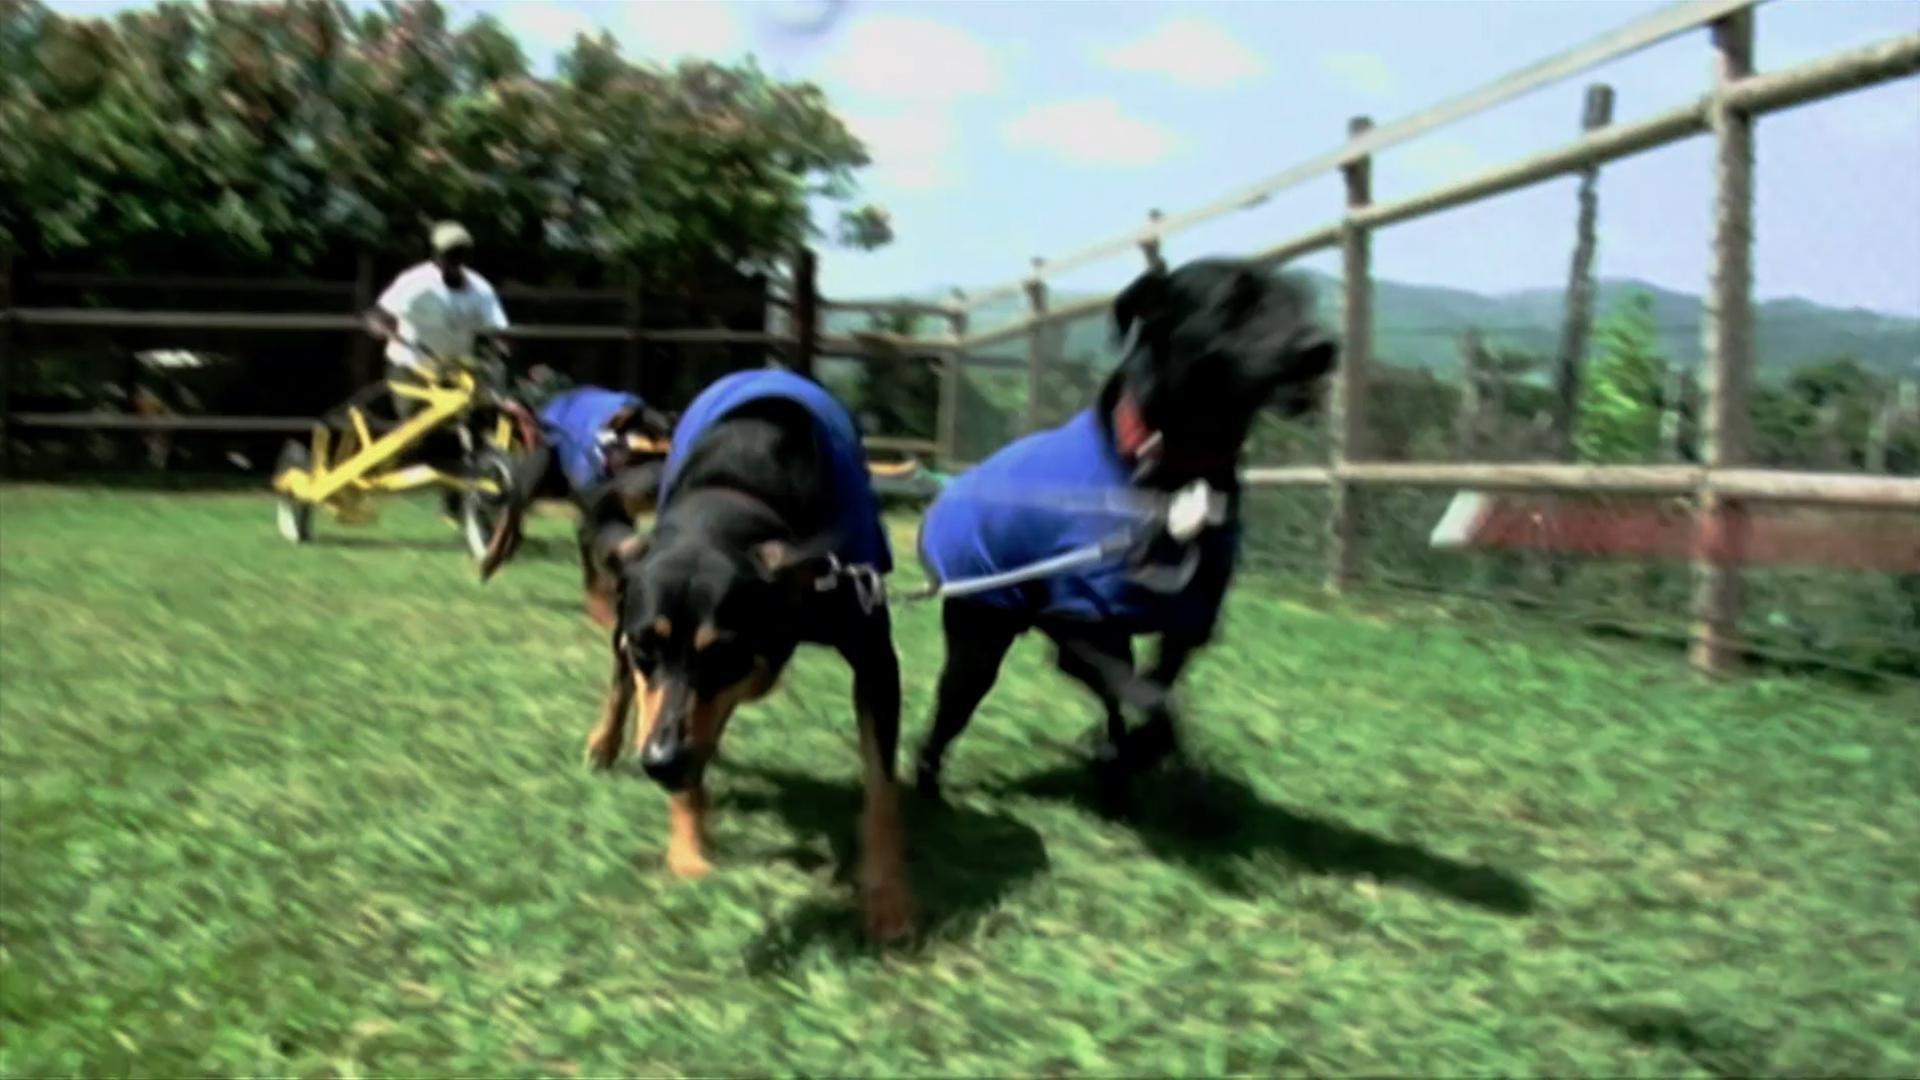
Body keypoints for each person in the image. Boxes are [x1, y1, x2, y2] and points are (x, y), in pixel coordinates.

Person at [361, 222, 512, 520]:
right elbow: (377, 314)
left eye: (460, 254)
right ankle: (376, 471)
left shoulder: (480, 289)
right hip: (412, 366)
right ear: (436, 255)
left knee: (473, 431)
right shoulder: (415, 282)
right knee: (419, 426)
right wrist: (381, 328)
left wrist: (500, 350)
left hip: (457, 371)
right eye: (448, 253)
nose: (454, 259)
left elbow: (496, 329)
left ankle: (459, 503)